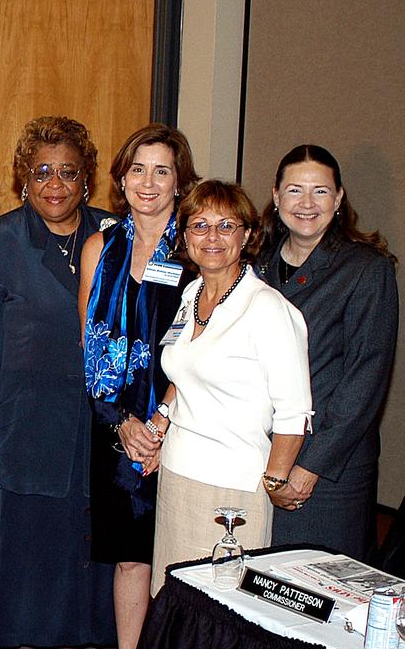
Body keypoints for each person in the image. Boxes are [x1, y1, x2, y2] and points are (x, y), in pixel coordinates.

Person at [0, 116, 116, 649]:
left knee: (81, 529)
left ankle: (69, 642)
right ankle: (23, 644)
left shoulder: (114, 234)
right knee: (25, 530)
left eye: (68, 172)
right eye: (42, 171)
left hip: (95, 416)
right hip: (20, 412)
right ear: (23, 177)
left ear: (87, 179)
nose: (55, 184)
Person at [77, 124, 199, 649]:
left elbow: (207, 345)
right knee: (130, 557)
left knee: (180, 560)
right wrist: (123, 421)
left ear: (181, 180)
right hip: (116, 426)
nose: (148, 183)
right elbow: (89, 343)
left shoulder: (199, 248)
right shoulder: (100, 247)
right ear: (120, 179)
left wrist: (161, 422)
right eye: (137, 170)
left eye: (162, 171)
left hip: (186, 424)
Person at [148, 181, 312, 593]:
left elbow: (294, 412)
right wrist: (157, 427)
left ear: (248, 235)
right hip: (177, 474)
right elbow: (182, 373)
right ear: (184, 237)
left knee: (221, 615)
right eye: (199, 225)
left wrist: (275, 481)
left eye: (226, 225)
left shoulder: (268, 309)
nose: (212, 237)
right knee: (173, 606)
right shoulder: (192, 293)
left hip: (232, 489)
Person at [257, 145, 397, 561]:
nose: (306, 203)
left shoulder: (366, 270)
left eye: (320, 192)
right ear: (276, 196)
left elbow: (365, 381)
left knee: (316, 599)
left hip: (325, 471)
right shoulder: (254, 264)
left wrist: (309, 467)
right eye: (295, 190)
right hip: (259, 457)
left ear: (338, 200)